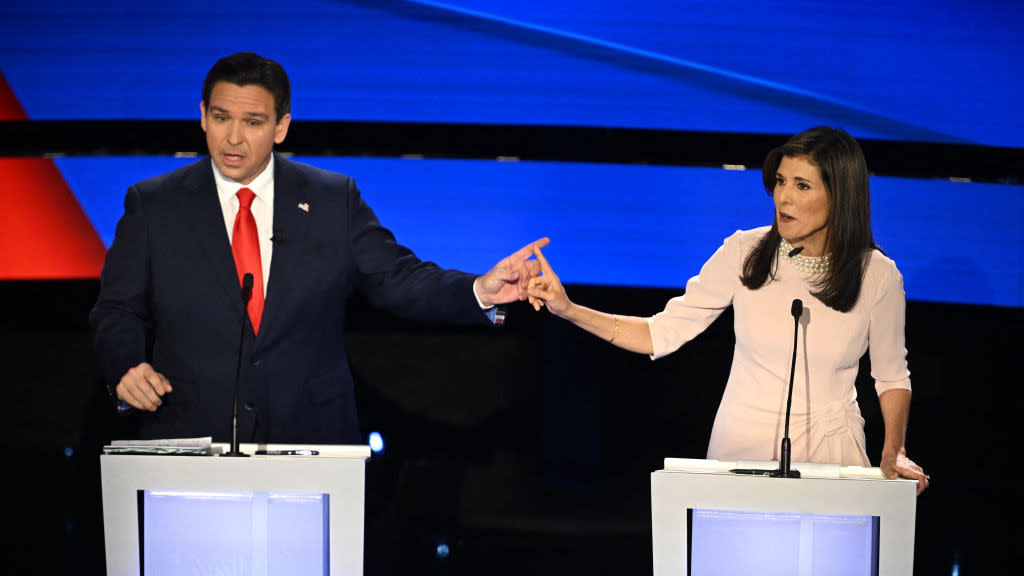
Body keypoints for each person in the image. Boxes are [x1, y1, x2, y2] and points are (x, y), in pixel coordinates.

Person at [89, 51, 548, 445]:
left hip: (309, 441)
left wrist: (481, 290)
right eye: (221, 117)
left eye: (253, 122)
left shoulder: (332, 199)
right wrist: (127, 366)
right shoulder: (154, 204)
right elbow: (116, 309)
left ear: (281, 127)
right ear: (203, 114)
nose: (233, 138)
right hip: (190, 436)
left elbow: (397, 279)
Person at [526, 126, 929, 494]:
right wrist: (568, 310)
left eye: (802, 186)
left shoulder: (877, 276)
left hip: (831, 457)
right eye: (781, 181)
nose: (783, 197)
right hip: (741, 451)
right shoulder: (744, 253)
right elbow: (659, 332)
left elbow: (892, 375)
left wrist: (894, 450)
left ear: (840, 195)